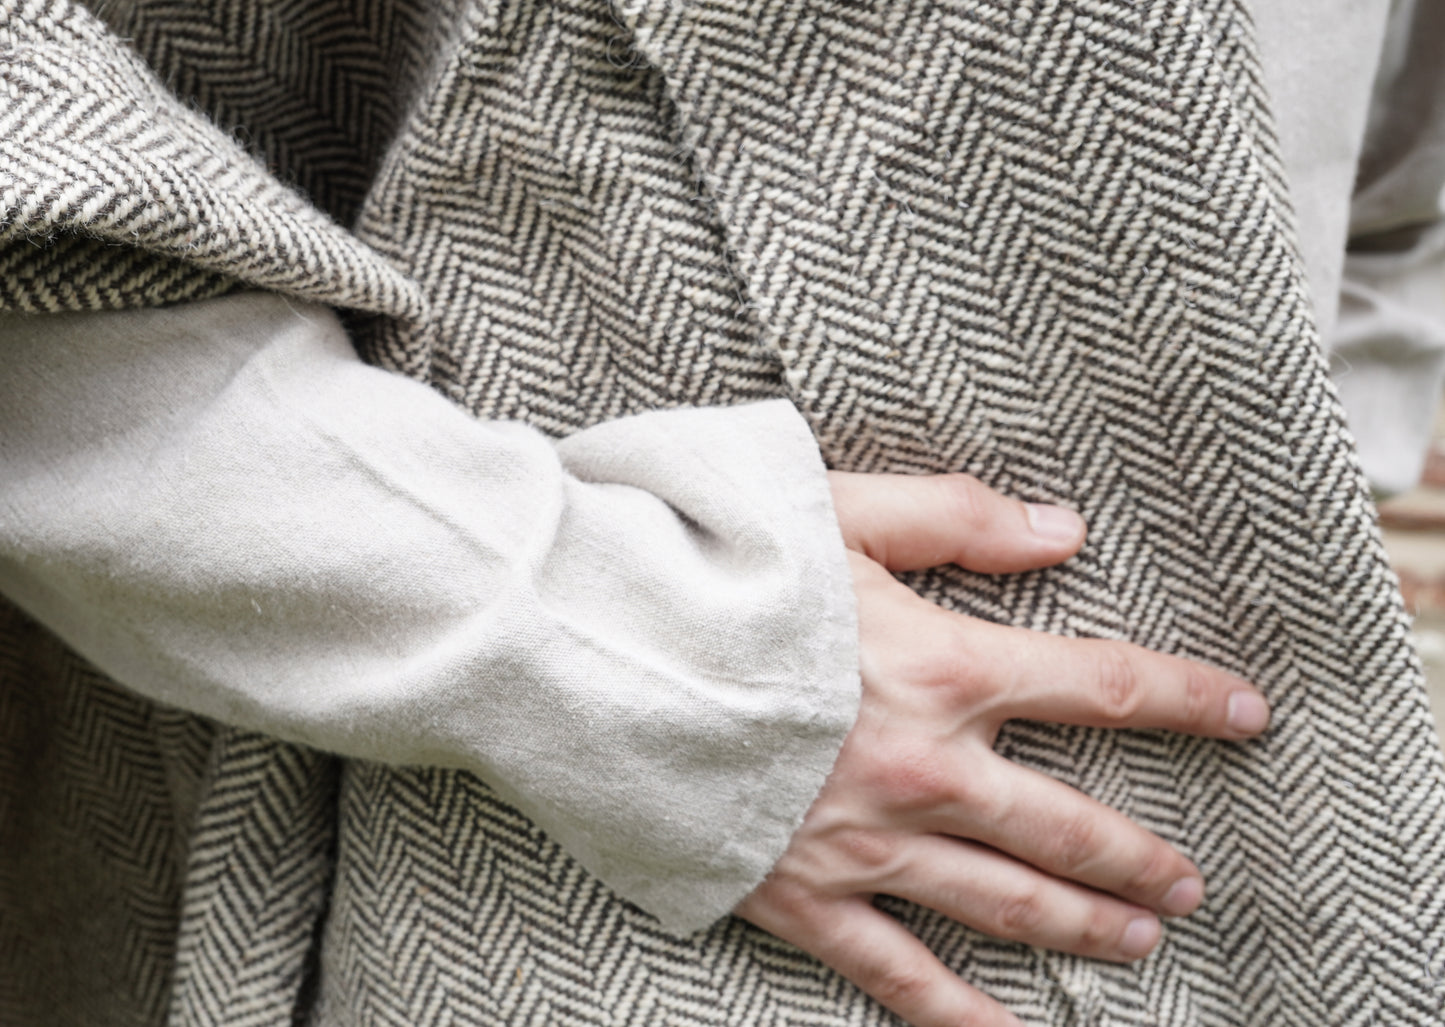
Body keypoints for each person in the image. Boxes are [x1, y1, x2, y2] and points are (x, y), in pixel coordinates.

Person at [0, 1, 1442, 1026]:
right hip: (578, 845)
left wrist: (1321, 488)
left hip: (1277, 838)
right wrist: (643, 655)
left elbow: (1391, 176)